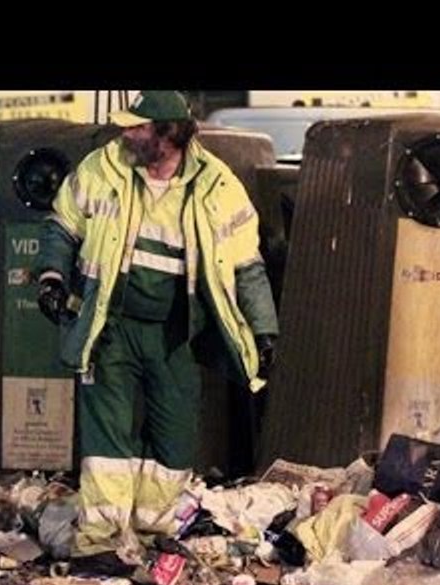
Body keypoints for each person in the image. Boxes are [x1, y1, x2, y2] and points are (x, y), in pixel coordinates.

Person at [33, 90, 278, 557]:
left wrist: (264, 331)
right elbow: (61, 225)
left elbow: (248, 266)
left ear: (169, 135)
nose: (126, 134)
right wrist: (50, 277)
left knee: (174, 435)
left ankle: (152, 534)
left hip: (175, 335)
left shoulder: (219, 189)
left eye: (138, 127)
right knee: (107, 441)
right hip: (110, 327)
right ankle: (100, 543)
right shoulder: (102, 168)